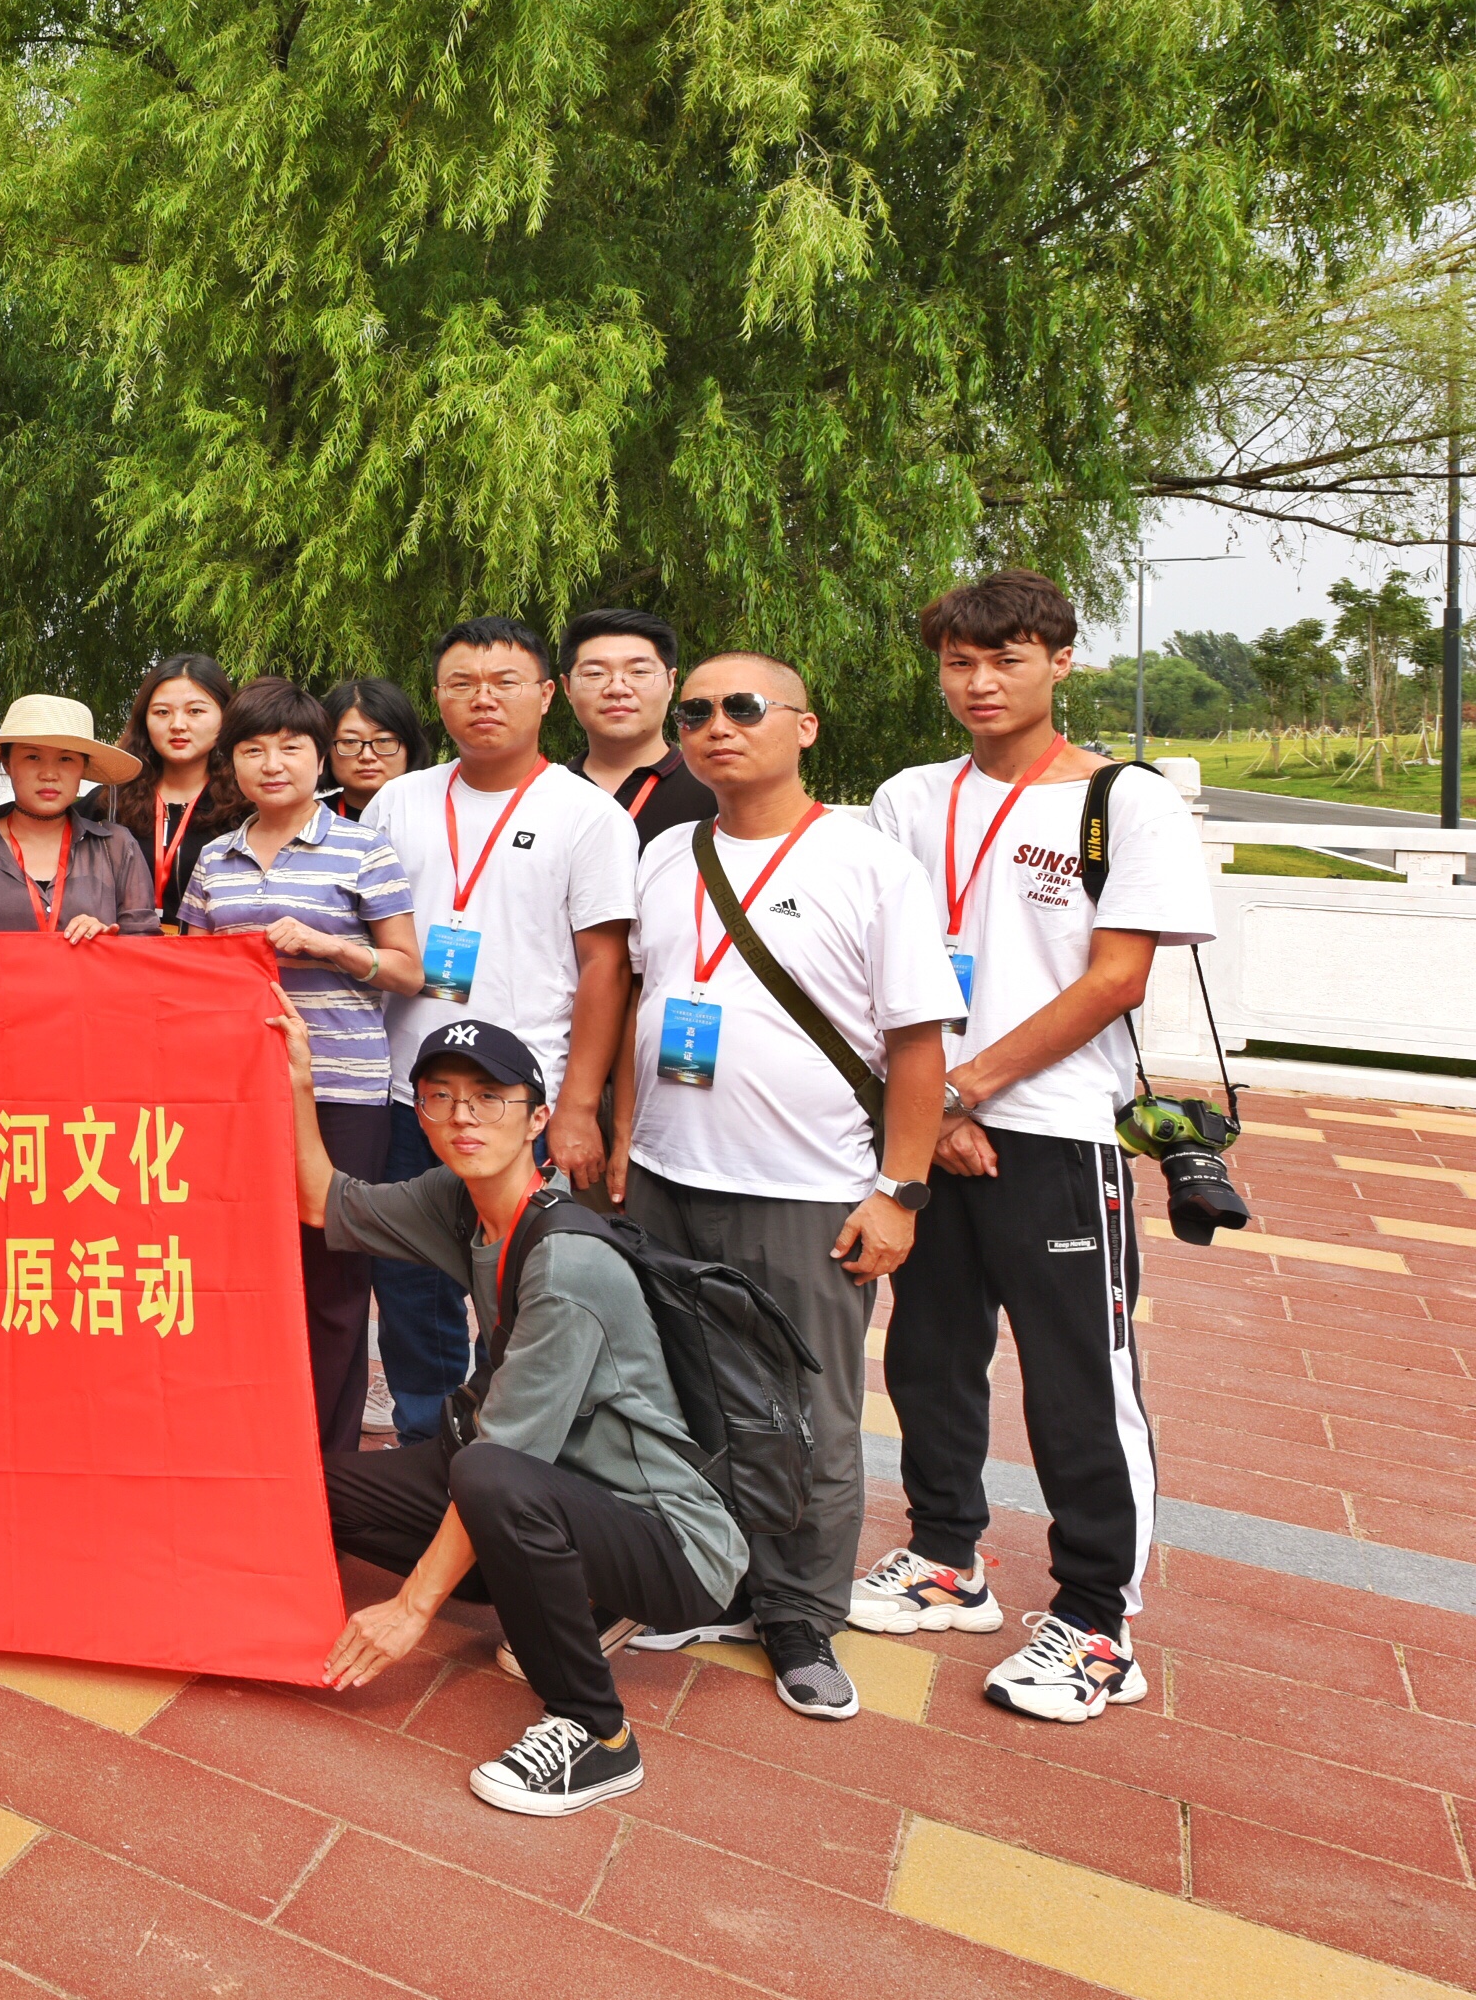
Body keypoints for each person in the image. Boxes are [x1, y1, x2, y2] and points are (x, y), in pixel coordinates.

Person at [859, 571, 1211, 1724]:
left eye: (1005, 658)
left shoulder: (1122, 803)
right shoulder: (910, 798)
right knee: (927, 1357)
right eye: (958, 662)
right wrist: (935, 1115)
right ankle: (944, 1557)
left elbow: (1115, 981)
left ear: (1059, 661)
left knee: (1076, 1383)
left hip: (1055, 1134)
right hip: (929, 1132)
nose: (979, 682)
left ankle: (1097, 1623)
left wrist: (963, 1091)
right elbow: (881, 964)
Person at [292, 1007, 751, 1818]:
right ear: (421, 1114)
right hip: (554, 1487)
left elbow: (506, 1456)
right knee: (311, 1491)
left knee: (486, 1472)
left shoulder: (568, 1263)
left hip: (672, 1540)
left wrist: (410, 1609)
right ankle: (539, 1579)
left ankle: (597, 1732)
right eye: (441, 1096)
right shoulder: (460, 1198)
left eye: (490, 1097)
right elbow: (327, 1201)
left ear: (538, 1120)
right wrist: (299, 1078)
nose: (463, 1115)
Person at [618, 652, 957, 1722]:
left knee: (807, 1414)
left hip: (805, 1186)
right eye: (696, 711)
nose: (717, 725)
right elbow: (641, 1001)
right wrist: (623, 1140)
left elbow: (917, 1044)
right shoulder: (665, 853)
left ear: (804, 725)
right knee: (680, 1396)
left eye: (745, 706)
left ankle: (800, 1610)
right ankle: (708, 1581)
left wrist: (899, 1190)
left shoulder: (869, 865)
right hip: (666, 1174)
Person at [354, 619, 643, 1443]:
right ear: (437, 696)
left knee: (520, 1283)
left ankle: (510, 1461)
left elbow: (605, 966)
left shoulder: (588, 815)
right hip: (407, 1091)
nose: (483, 698)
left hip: (520, 1100)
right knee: (409, 1283)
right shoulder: (398, 801)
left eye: (505, 682)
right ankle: (427, 1443)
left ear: (546, 695)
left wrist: (578, 1105)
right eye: (463, 683)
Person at [182, 677, 418, 1452]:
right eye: (253, 749)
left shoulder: (362, 847)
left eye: (290, 747)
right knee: (242, 1269)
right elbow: (189, 970)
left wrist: (329, 947)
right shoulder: (215, 857)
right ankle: (251, 1443)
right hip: (239, 1093)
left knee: (335, 1277)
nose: (272, 763)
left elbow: (407, 970)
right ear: (232, 764)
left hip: (342, 1090)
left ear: (321, 759)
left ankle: (327, 1461)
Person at [0, 694, 154, 938]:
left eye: (66, 758)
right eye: (33, 757)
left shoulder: (116, 848)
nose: (50, 774)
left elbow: (143, 943)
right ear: (7, 762)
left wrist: (107, 942)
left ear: (83, 767)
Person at [106, 654, 242, 930]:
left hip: (211, 953)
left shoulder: (246, 806)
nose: (177, 724)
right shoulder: (109, 802)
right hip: (125, 951)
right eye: (162, 712)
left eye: (195, 711)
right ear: (144, 720)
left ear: (225, 717)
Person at [562, 609, 719, 841]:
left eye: (639, 671)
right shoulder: (545, 794)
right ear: (567, 688)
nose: (617, 688)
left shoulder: (717, 791)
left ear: (670, 682)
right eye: (595, 674)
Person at [325, 677, 427, 819]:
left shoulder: (435, 815)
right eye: (350, 741)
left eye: (383, 740)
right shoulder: (308, 821)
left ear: (410, 746)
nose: (367, 756)